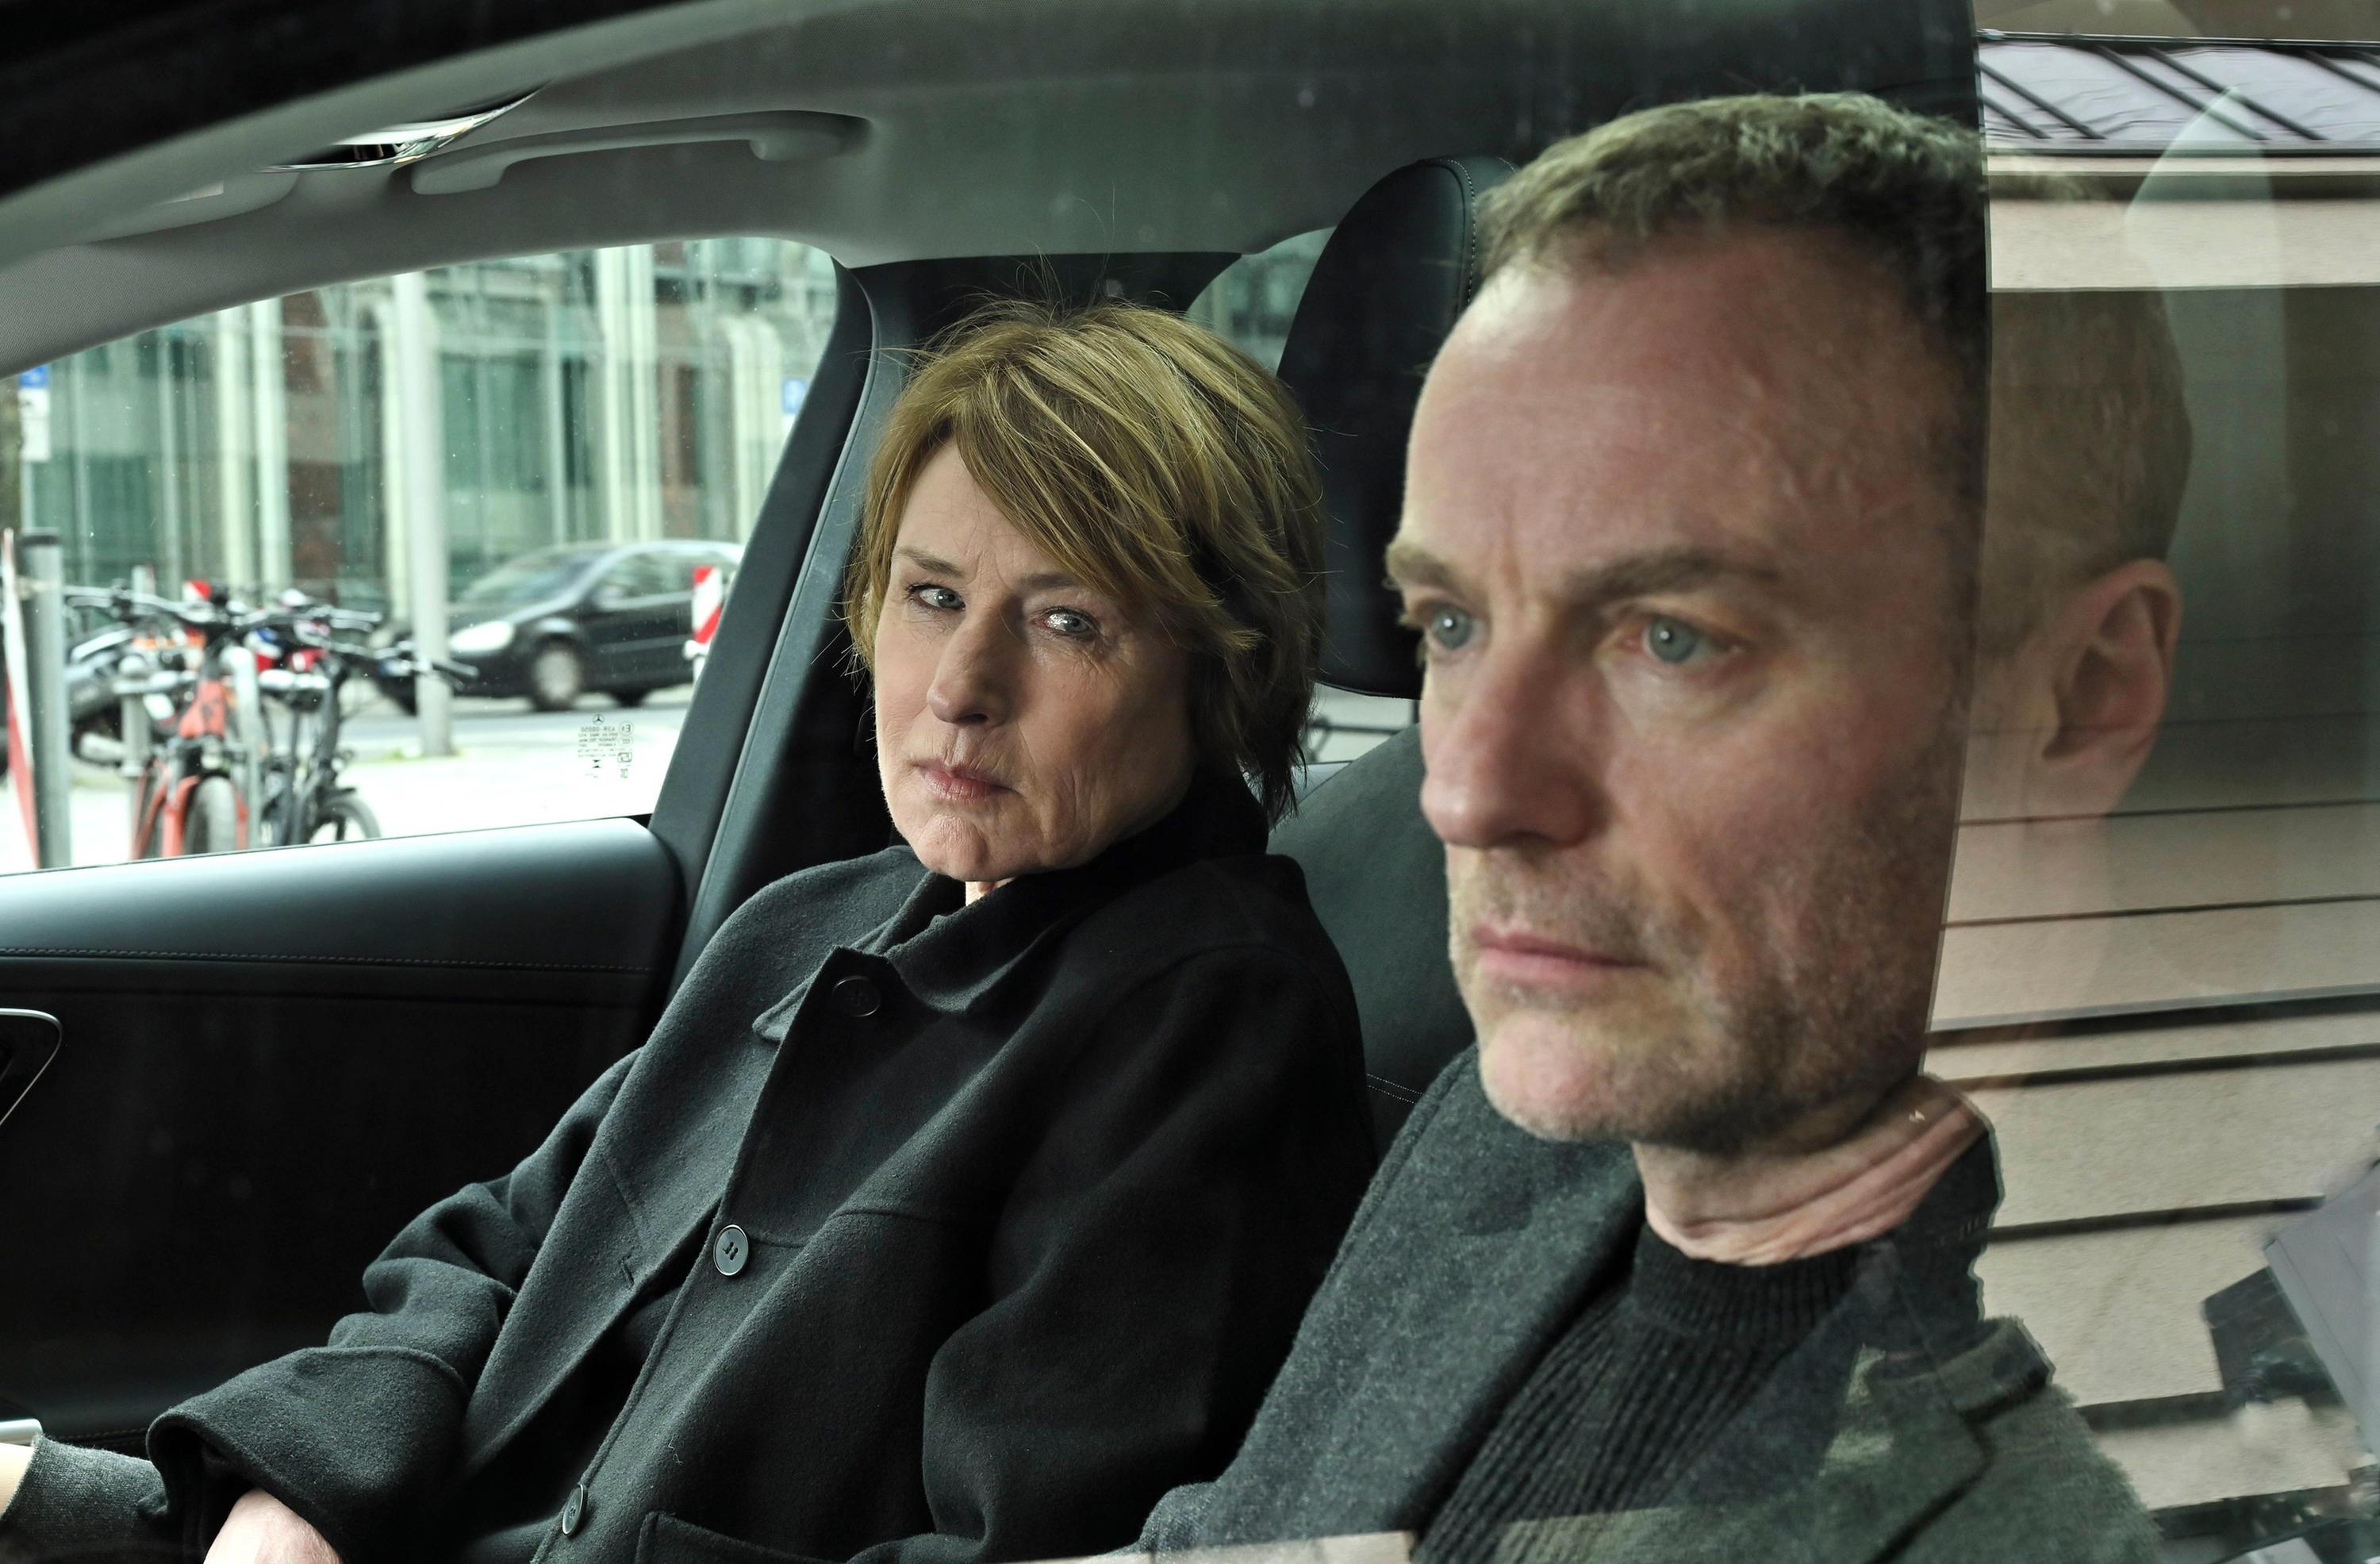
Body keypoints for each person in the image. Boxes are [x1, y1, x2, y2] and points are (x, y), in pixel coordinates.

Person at [0, 301, 1378, 1564]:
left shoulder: (1212, 1018)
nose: (960, 686)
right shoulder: (809, 926)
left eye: (1068, 620)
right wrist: (295, 1490)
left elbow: (1029, 1546)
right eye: (933, 595)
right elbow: (491, 1247)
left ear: (1224, 665)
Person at [1133, 93, 2188, 1562]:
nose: (1467, 794)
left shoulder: (2186, 1444)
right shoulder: (1512, 1135)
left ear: (2077, 700)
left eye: (1673, 640)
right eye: (1450, 623)